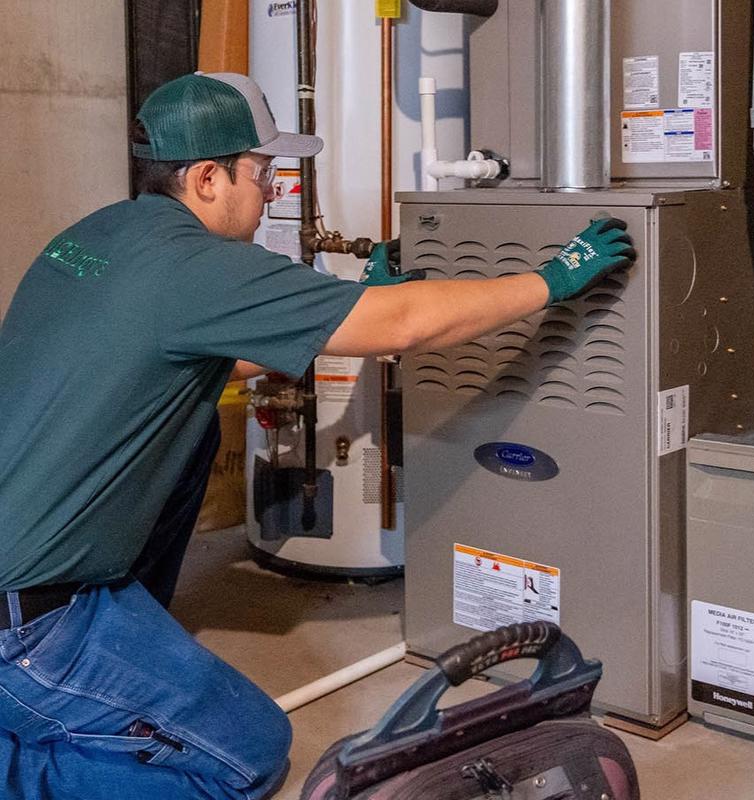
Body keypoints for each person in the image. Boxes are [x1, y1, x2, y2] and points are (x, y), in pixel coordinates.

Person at [0, 71, 635, 799]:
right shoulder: (197, 267)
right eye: (260, 170)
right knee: (245, 759)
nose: (270, 189)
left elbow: (188, 350)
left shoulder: (97, 236)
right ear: (208, 177)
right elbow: (405, 326)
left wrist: (357, 304)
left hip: (26, 566)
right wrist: (554, 277)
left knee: (193, 426)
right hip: (25, 620)